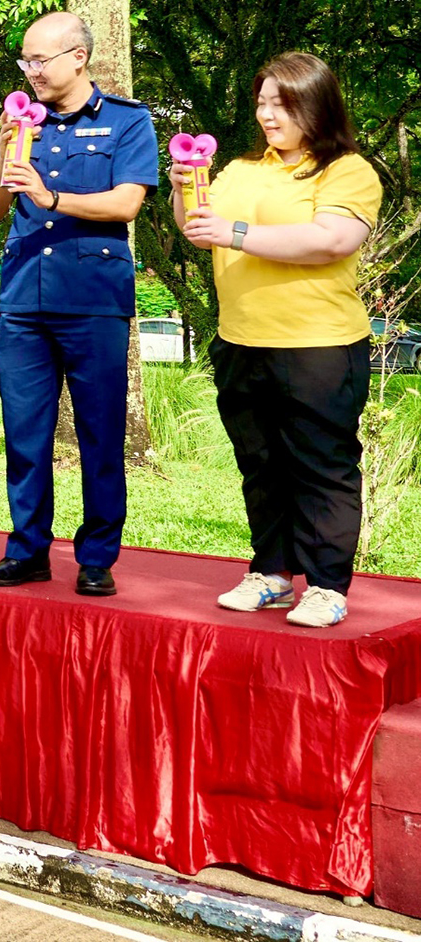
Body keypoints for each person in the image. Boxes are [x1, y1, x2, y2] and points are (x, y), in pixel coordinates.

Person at [175, 52, 380, 629]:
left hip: (318, 345)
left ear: (314, 105)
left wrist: (235, 232)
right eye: (262, 101)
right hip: (241, 339)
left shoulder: (346, 170)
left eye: (281, 104)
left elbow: (331, 239)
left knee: (321, 464)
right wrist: (183, 188)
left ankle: (326, 585)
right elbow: (198, 230)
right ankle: (270, 572)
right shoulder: (242, 167)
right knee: (259, 461)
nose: (267, 114)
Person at [0, 13, 158, 597]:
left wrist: (53, 195)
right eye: (24, 62)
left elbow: (127, 202)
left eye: (40, 60)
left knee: (99, 434)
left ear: (78, 57)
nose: (30, 72)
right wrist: (3, 152)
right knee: (24, 433)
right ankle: (28, 549)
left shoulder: (127, 122)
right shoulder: (21, 124)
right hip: (25, 300)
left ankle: (98, 556)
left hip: (92, 300)